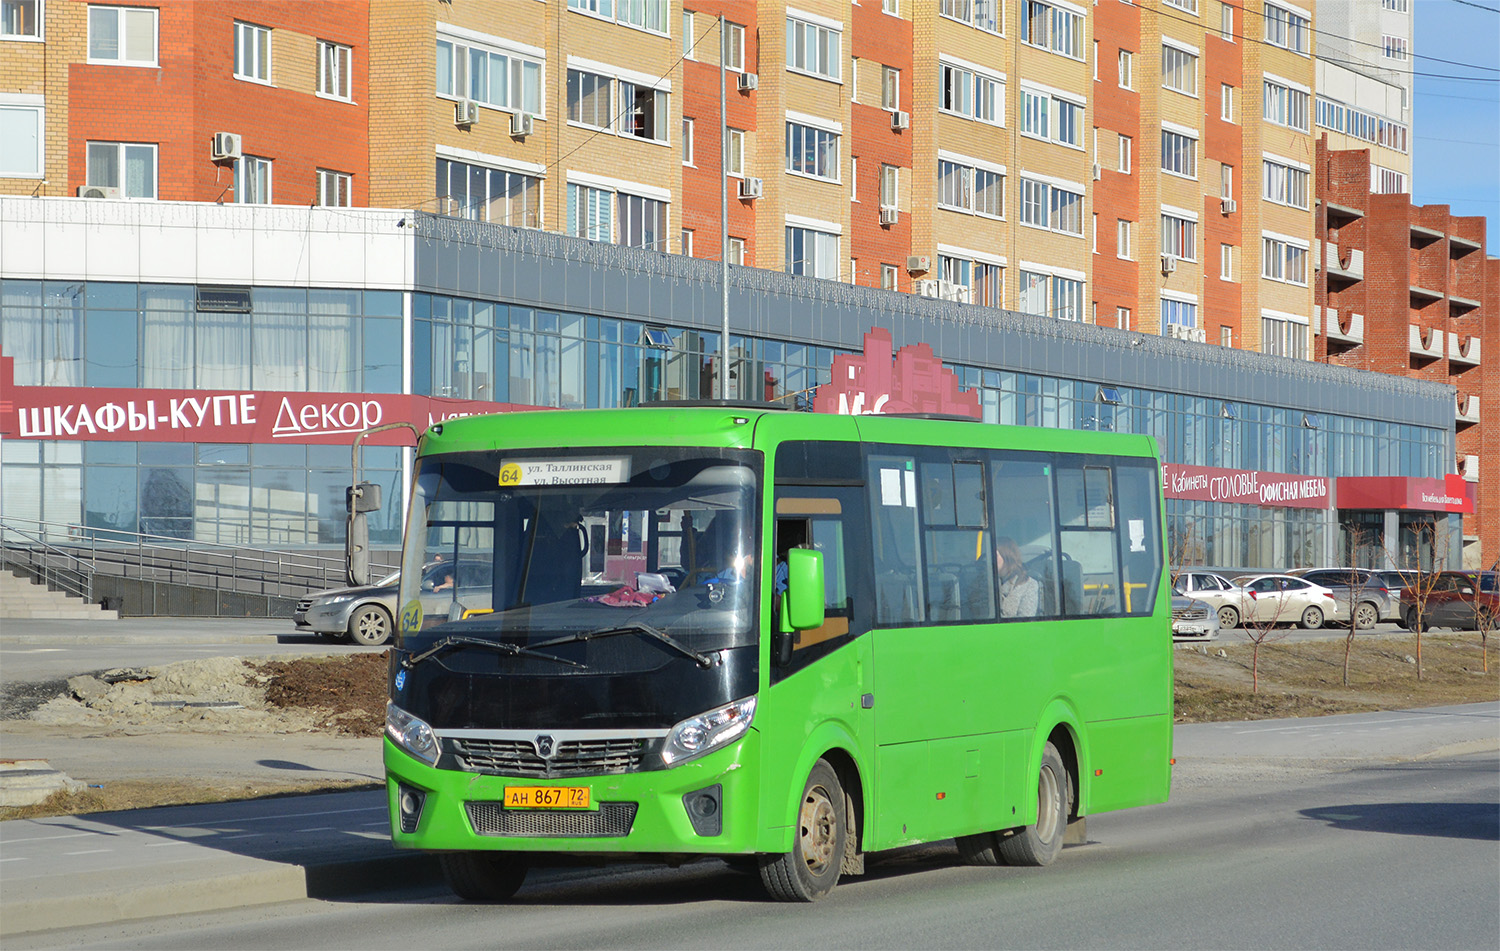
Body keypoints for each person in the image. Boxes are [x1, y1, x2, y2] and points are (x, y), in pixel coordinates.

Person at [995, 536, 1039, 618]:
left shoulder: (1028, 584)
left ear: (1007, 556)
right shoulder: (984, 583)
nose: (990, 559)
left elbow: (1026, 620)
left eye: (995, 555)